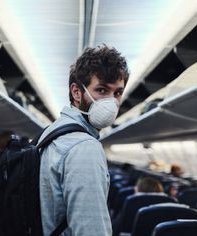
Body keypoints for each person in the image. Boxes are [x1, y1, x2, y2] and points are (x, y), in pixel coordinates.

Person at [39, 45, 129, 236]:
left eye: (117, 93)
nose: (111, 102)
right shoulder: (84, 148)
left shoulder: (49, 134)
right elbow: (91, 229)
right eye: (102, 90)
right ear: (76, 92)